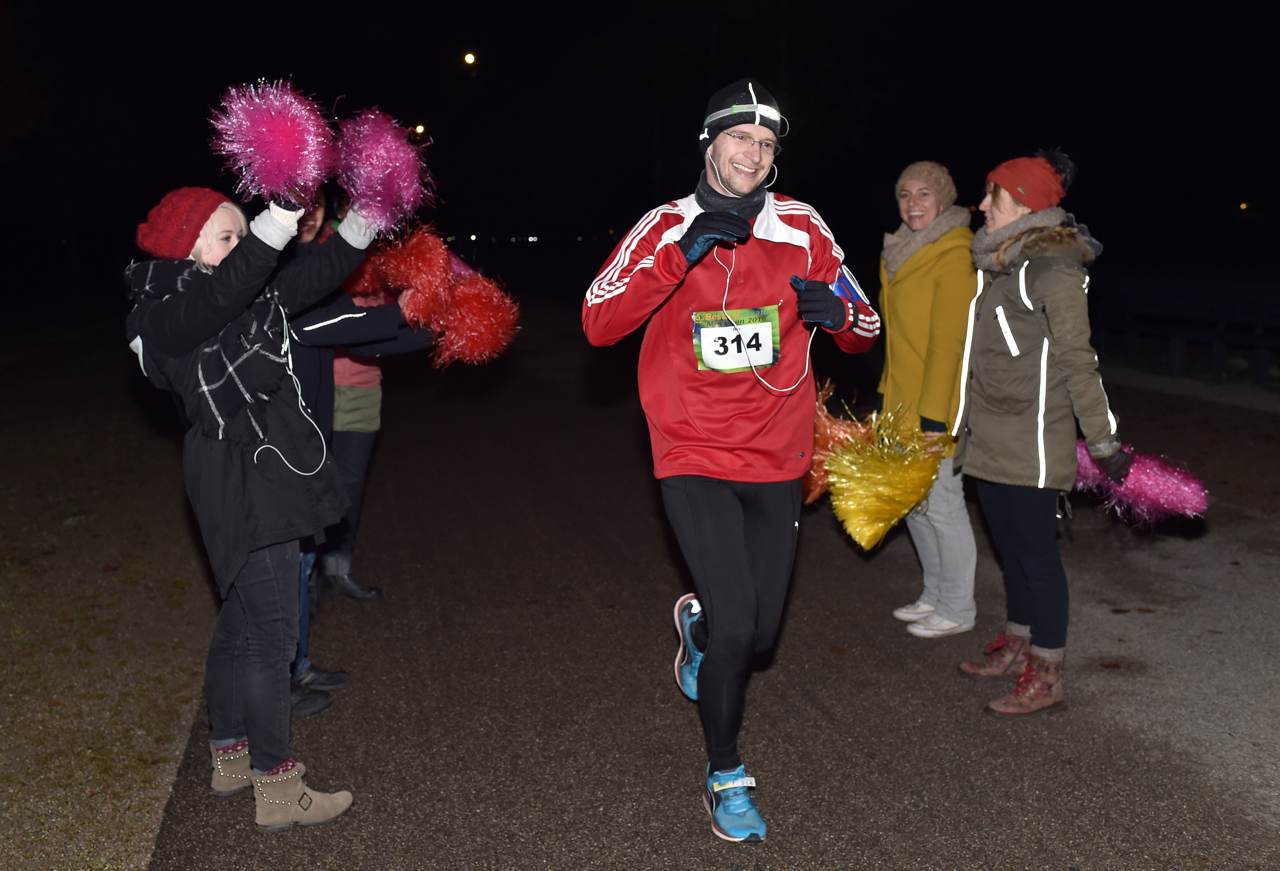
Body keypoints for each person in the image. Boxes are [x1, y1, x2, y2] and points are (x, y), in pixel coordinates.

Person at [583, 78, 880, 842]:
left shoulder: (803, 226)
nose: (753, 154)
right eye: (740, 139)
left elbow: (865, 321)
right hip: (692, 447)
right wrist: (678, 257)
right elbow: (598, 321)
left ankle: (701, 632)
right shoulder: (665, 225)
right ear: (710, 143)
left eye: (767, 143)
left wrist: (839, 315)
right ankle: (726, 775)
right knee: (742, 621)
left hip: (778, 449)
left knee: (758, 635)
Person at [125, 186, 376, 829]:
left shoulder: (242, 301)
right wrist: (273, 221)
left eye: (244, 234)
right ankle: (277, 786)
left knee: (239, 622)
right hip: (242, 473)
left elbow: (310, 274)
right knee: (271, 634)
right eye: (228, 236)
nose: (245, 250)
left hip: (255, 471)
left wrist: (366, 217)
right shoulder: (165, 313)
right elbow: (219, 295)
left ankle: (231, 756)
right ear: (189, 247)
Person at [952, 150, 1132, 716]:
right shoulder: (1003, 262)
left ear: (1023, 204)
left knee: (1037, 559)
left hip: (1031, 442)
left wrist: (1103, 441)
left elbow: (1080, 360)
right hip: (991, 438)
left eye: (992, 196)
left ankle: (1049, 674)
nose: (980, 205)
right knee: (1010, 550)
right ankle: (1020, 644)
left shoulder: (1053, 267)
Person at [875, 162, 979, 638]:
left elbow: (948, 345)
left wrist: (936, 418)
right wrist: (886, 399)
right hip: (900, 402)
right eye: (904, 194)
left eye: (923, 194)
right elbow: (898, 339)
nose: (912, 203)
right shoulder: (899, 250)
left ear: (943, 200)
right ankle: (935, 595)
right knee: (914, 505)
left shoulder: (954, 253)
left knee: (942, 505)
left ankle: (959, 607)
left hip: (934, 406)